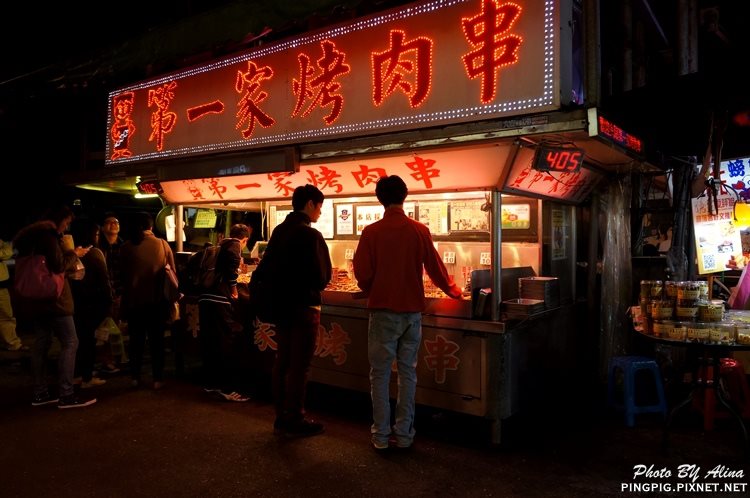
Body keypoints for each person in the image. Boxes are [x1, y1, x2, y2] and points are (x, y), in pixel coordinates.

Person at [353, 175, 462, 451]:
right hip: (412, 313)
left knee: (379, 374)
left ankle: (380, 435)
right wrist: (455, 292)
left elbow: (362, 275)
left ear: (380, 198)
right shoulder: (419, 230)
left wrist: (373, 286)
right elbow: (437, 270)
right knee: (407, 373)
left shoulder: (371, 232)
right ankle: (404, 434)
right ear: (404, 196)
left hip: (381, 312)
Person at [250, 185, 332, 437]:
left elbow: (265, 268)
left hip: (281, 307)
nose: (320, 212)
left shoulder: (280, 231)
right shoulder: (310, 235)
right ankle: (295, 417)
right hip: (304, 308)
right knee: (300, 365)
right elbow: (322, 276)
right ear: (310, 204)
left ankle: (281, 417)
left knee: (283, 360)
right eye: (319, 207)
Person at [12, 205, 96, 408]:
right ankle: (66, 394)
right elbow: (58, 265)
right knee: (70, 341)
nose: (65, 228)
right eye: (66, 223)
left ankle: (39, 392)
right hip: (53, 299)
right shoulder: (48, 236)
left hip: (34, 299)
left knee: (41, 342)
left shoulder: (28, 237)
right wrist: (74, 253)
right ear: (59, 220)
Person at [119, 211, 174, 390]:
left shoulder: (126, 246)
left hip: (134, 303)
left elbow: (121, 276)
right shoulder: (162, 244)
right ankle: (157, 379)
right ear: (151, 226)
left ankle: (135, 377)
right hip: (156, 302)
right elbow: (172, 271)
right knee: (156, 342)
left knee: (136, 342)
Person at [197, 223, 252, 401]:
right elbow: (231, 270)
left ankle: (210, 384)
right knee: (225, 343)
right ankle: (227, 389)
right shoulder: (234, 245)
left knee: (210, 342)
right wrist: (234, 289)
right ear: (244, 239)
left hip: (205, 298)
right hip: (219, 300)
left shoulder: (219, 245)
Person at [70, 218, 113, 388]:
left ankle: (79, 374)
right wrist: (109, 302)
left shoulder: (72, 253)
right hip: (94, 303)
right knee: (88, 341)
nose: (97, 237)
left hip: (77, 303)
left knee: (80, 341)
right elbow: (104, 280)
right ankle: (86, 377)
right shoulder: (94, 253)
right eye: (95, 234)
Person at [97, 212, 124, 373]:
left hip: (119, 293)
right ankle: (106, 360)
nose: (113, 224)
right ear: (102, 227)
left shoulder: (123, 245)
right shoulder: (98, 246)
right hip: (103, 294)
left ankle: (115, 359)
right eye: (109, 222)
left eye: (116, 222)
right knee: (104, 328)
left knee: (116, 327)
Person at [0, 239, 28, 351]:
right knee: (5, 315)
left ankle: (12, 343)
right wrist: (6, 251)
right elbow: (7, 250)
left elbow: (7, 247)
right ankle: (12, 343)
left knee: (5, 315)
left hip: (1, 283)